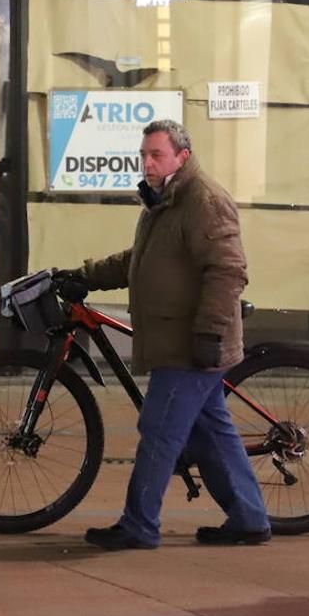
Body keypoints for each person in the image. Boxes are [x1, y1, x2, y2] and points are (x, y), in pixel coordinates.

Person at [64, 119, 270, 550]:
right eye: (144, 154)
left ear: (183, 157)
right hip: (179, 340)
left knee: (159, 429)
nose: (147, 163)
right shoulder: (164, 201)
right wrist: (85, 276)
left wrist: (210, 334)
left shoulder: (203, 200)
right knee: (211, 428)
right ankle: (250, 518)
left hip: (190, 343)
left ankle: (139, 525)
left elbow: (229, 270)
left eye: (156, 154)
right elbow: (139, 259)